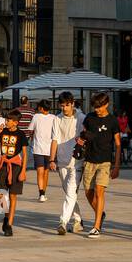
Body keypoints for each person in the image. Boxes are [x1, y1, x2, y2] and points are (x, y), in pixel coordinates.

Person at [77, 93, 121, 238]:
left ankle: (96, 227)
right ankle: (100, 214)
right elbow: (83, 135)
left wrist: (116, 165)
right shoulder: (89, 118)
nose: (97, 109)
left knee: (99, 191)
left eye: (99, 107)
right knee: (88, 193)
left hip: (105, 161)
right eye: (95, 107)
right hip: (89, 160)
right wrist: (80, 142)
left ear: (106, 104)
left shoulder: (113, 121)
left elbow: (118, 144)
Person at [49, 93, 85, 235]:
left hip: (77, 162)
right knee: (69, 192)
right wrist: (52, 159)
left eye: (67, 105)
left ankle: (62, 222)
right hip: (62, 160)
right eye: (62, 105)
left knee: (70, 192)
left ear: (73, 103)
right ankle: (78, 220)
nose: (64, 108)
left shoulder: (81, 118)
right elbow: (54, 140)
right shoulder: (57, 119)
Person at [0, 109, 28, 237]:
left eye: (8, 120)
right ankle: (6, 215)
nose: (6, 122)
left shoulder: (21, 135)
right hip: (3, 166)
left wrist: (23, 171)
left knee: (13, 196)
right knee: (1, 194)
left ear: (15, 123)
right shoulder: (3, 132)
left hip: (16, 167)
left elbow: (24, 154)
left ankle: (9, 224)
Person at [28, 99, 56, 203]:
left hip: (38, 148)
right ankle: (43, 192)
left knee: (39, 171)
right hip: (50, 149)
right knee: (46, 172)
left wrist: (32, 137)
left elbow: (30, 130)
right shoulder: (54, 118)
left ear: (41, 108)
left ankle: (41, 194)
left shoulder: (36, 117)